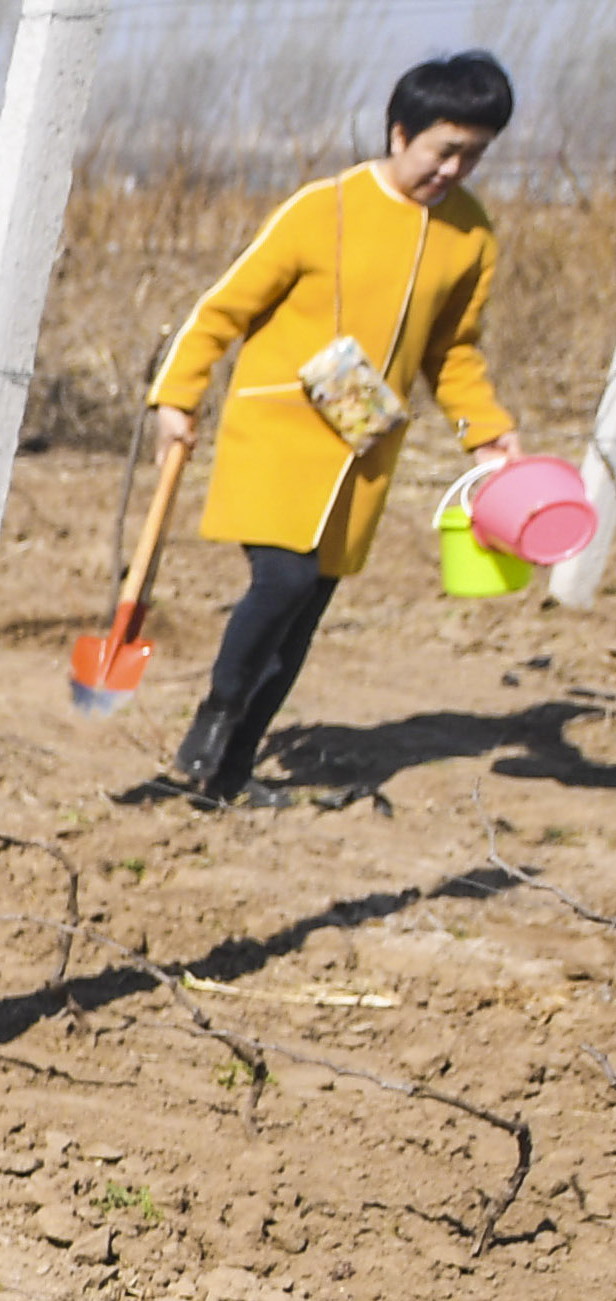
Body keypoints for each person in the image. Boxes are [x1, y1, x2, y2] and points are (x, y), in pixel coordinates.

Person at [140, 50, 525, 808]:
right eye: (444, 149)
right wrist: (175, 396)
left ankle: (229, 774)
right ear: (399, 131)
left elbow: (453, 352)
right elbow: (224, 309)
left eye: (473, 155)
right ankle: (210, 725)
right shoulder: (324, 207)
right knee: (280, 580)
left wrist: (487, 431)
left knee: (303, 617)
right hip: (281, 429)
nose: (454, 169)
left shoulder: (472, 235)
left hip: (367, 449)